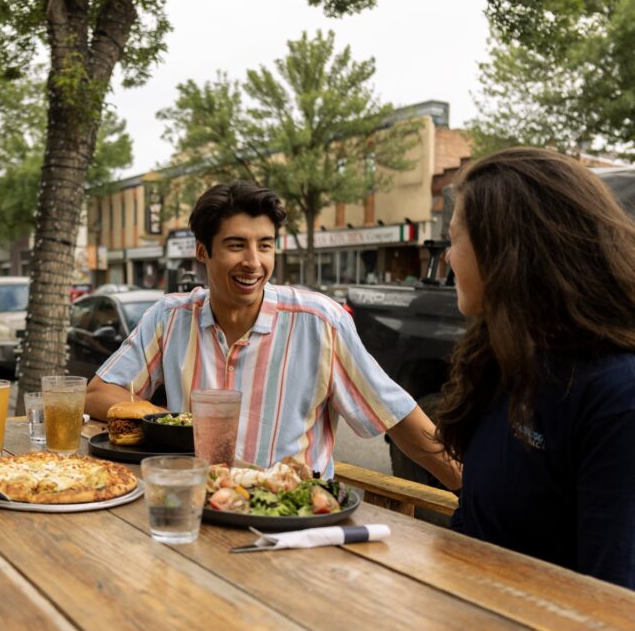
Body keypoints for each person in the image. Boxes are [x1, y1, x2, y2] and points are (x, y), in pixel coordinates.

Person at [86, 181, 460, 488]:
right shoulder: (170, 317)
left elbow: (403, 422)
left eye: (264, 245)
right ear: (203, 251)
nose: (254, 262)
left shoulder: (320, 322)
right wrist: (169, 422)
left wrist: (475, 498)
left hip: (293, 521)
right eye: (236, 245)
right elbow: (98, 393)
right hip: (201, 509)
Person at [437, 148, 635, 589]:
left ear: (501, 250)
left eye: (453, 239)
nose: (447, 259)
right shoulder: (499, 358)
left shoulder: (617, 394)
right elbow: (474, 523)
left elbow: (612, 601)